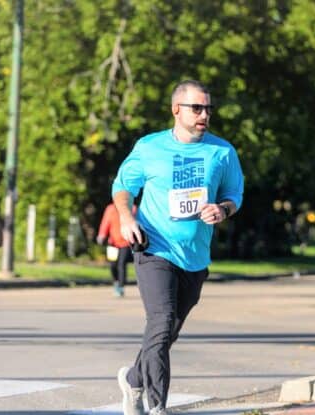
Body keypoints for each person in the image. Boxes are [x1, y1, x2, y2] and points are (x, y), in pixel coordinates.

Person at [112, 80, 244, 415]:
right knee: (161, 321)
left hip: (195, 256)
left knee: (166, 332)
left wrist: (223, 209)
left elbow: (234, 196)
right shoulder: (149, 147)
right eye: (196, 108)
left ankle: (133, 379)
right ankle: (158, 407)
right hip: (154, 247)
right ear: (176, 110)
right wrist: (127, 217)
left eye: (208, 109)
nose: (204, 114)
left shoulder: (222, 152)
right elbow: (123, 187)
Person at [96, 202, 137, 297]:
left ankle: (121, 286)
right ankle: (116, 281)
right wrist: (102, 234)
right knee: (113, 265)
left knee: (122, 263)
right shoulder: (110, 208)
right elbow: (105, 222)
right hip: (113, 243)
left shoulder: (133, 208)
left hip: (126, 242)